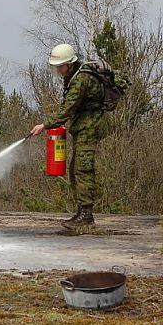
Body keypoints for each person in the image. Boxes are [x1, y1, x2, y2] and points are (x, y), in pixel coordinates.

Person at [30, 44, 106, 229]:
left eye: (60, 65)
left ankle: (86, 215)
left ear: (70, 63)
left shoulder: (81, 80)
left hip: (91, 127)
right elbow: (70, 109)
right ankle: (82, 212)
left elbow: (68, 109)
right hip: (82, 126)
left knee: (83, 169)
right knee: (75, 169)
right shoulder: (72, 77)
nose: (58, 70)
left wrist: (44, 125)